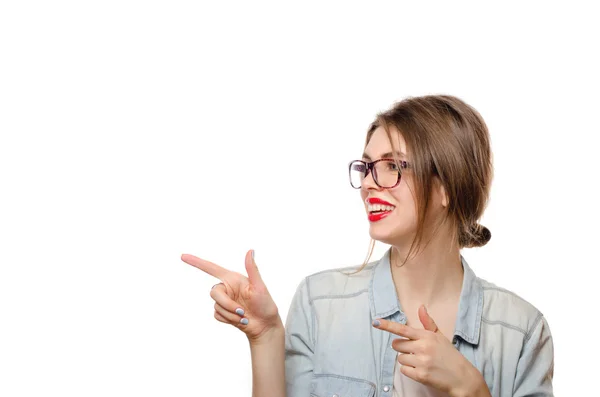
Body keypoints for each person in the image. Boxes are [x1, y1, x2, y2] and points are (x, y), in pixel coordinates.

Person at [181, 95, 554, 397]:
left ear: (445, 187)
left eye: (393, 167)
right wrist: (265, 336)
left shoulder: (520, 332)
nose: (370, 183)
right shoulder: (320, 302)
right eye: (368, 166)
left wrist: (470, 389)